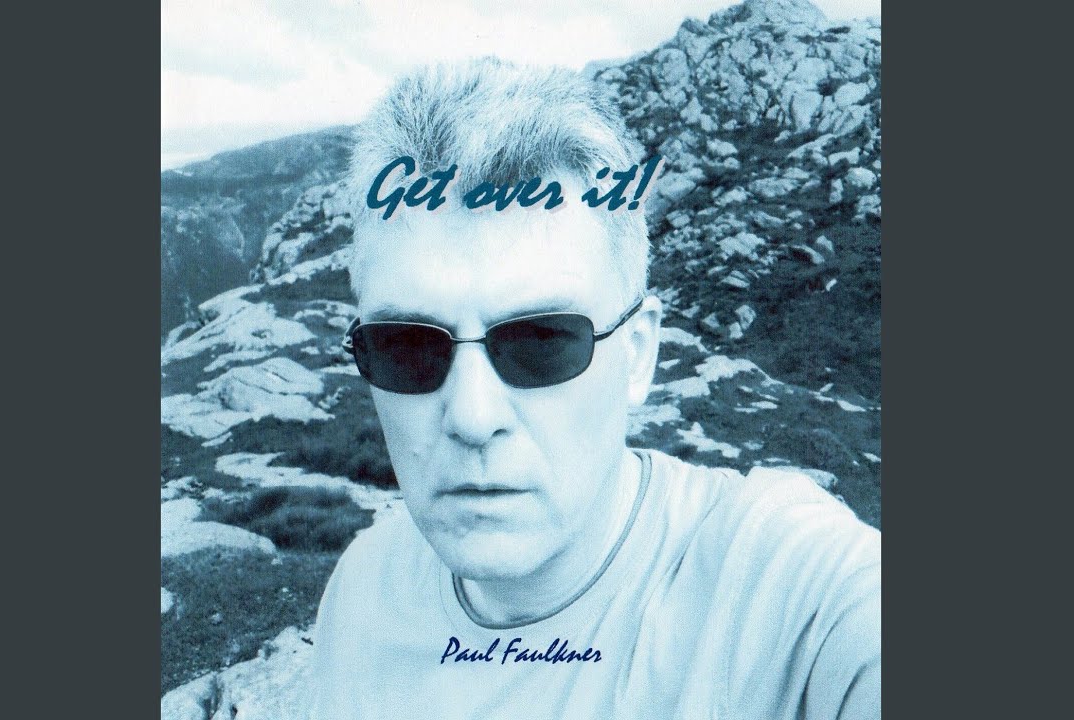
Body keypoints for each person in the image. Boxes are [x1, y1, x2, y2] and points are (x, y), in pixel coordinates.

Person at [306, 57, 880, 719]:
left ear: (638, 355)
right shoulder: (361, 587)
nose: (471, 415)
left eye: (541, 342)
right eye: (408, 346)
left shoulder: (794, 593)